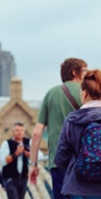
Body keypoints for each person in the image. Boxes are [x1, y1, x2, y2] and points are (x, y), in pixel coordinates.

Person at [30, 58, 87, 199]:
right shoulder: (87, 93)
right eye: (85, 70)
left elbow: (37, 133)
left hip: (58, 162)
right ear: (75, 73)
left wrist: (34, 164)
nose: (88, 74)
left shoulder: (51, 94)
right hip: (84, 160)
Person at [55, 69, 101, 198]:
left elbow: (61, 157)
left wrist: (75, 170)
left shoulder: (72, 120)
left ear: (85, 94)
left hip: (79, 188)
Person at [0, 121, 30, 199]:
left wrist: (29, 154)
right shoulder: (7, 144)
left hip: (23, 178)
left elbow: (38, 156)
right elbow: (3, 161)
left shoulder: (28, 142)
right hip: (10, 178)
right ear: (13, 131)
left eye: (21, 130)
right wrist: (16, 154)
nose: (19, 132)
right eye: (17, 130)